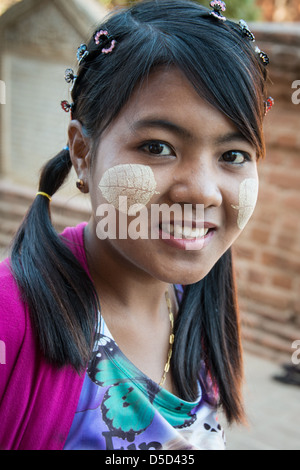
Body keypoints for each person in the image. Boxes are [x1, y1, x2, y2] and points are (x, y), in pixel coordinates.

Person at [0, 0, 273, 451]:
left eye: (233, 155)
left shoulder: (196, 308)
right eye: (157, 146)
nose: (204, 191)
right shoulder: (14, 324)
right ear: (82, 153)